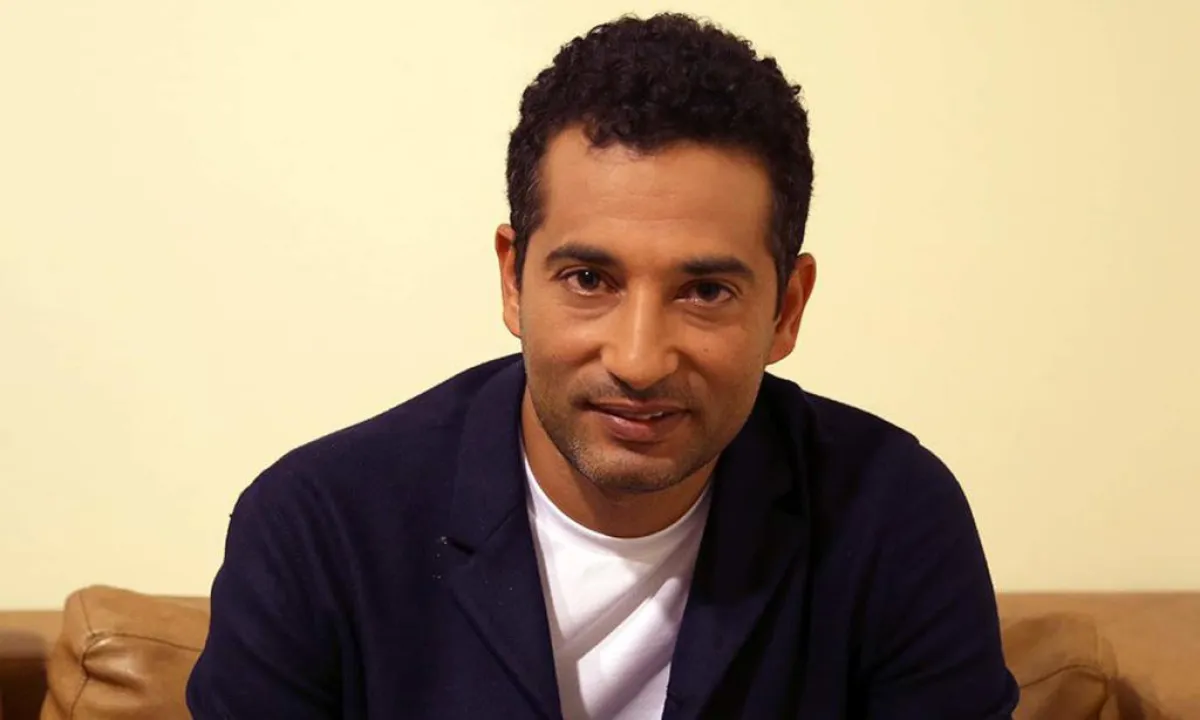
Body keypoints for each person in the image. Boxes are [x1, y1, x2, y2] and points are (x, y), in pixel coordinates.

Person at [187, 12, 1017, 719]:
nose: (639, 359)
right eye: (589, 280)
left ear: (787, 310)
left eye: (706, 291)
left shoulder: (890, 517)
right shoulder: (319, 530)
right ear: (513, 281)